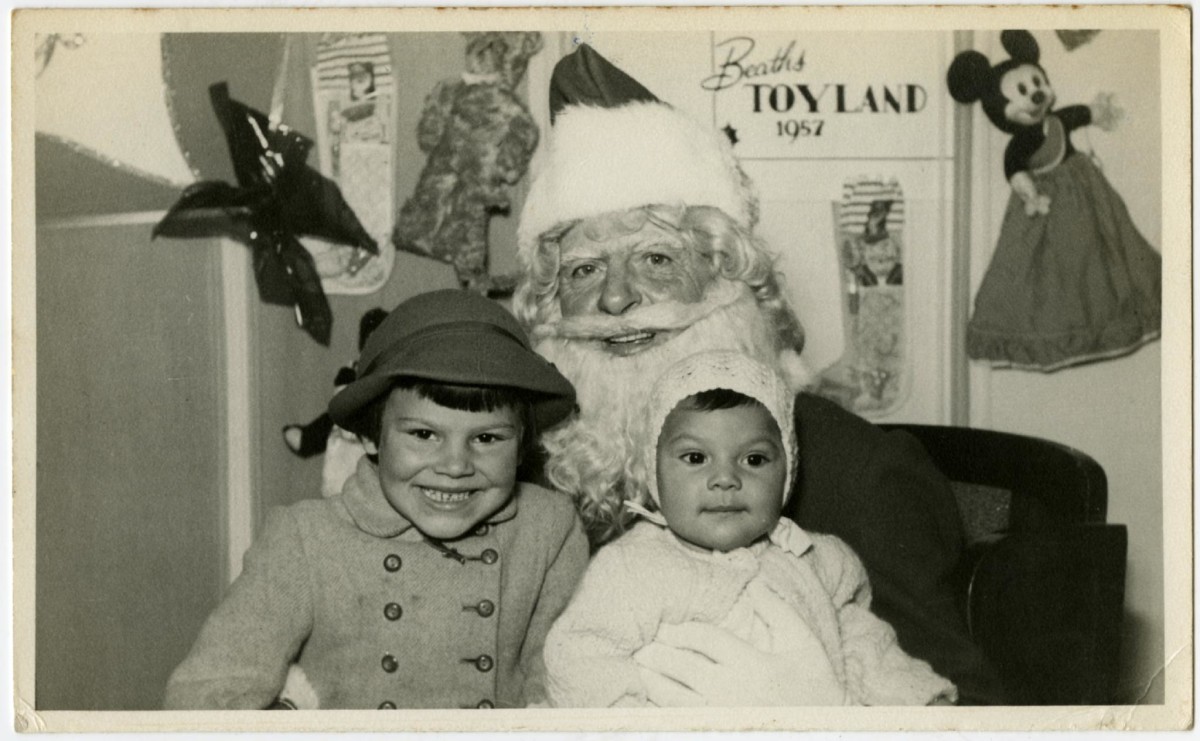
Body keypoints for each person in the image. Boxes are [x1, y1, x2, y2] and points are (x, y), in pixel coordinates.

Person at [513, 43, 1007, 704]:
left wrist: (822, 707)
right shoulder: (533, 463)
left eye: (656, 257)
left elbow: (980, 711)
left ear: (727, 273)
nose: (615, 299)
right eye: (584, 269)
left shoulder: (855, 470)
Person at [163, 289, 588, 710]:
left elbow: (563, 692)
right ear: (369, 435)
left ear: (522, 446)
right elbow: (204, 692)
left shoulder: (548, 530)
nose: (456, 466)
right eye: (424, 435)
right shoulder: (307, 539)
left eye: (487, 438)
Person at [543, 351, 957, 707]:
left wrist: (916, 699)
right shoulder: (632, 569)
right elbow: (579, 657)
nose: (725, 478)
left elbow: (866, 645)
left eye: (754, 460)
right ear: (654, 471)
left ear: (788, 472)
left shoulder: (818, 559)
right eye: (694, 458)